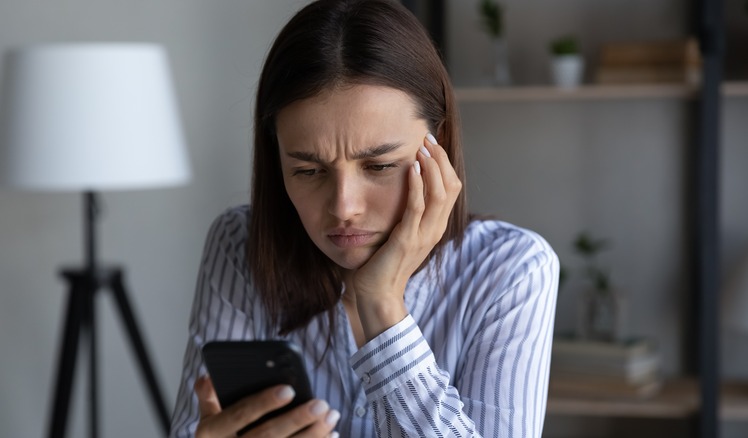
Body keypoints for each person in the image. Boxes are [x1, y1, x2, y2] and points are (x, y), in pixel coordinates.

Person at [170, 0, 559, 437]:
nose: (344, 207)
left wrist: (382, 305)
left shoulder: (511, 269)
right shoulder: (238, 246)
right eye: (308, 171)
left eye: (378, 167)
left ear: (440, 146)